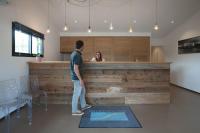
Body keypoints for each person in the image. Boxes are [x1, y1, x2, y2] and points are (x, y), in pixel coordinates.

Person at [70, 40, 92, 116]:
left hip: (77, 78)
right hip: (77, 78)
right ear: (82, 46)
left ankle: (83, 106)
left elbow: (77, 63)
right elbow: (75, 68)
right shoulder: (77, 55)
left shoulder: (74, 53)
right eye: (84, 46)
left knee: (83, 91)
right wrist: (80, 79)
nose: (84, 47)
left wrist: (85, 60)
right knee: (76, 94)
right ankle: (74, 110)